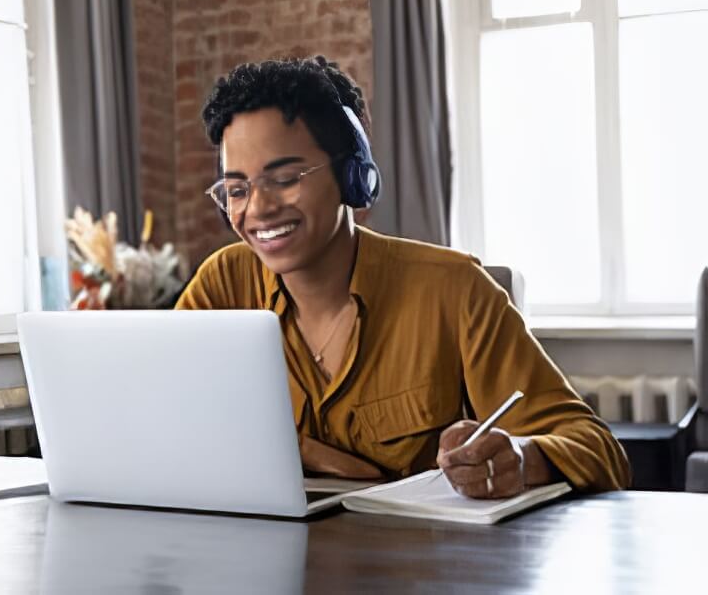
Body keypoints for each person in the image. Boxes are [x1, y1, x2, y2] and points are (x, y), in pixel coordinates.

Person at [175, 56, 627, 496]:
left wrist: (522, 459)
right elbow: (164, 420)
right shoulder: (223, 286)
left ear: (353, 176)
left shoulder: (455, 289)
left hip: (414, 563)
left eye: (286, 177)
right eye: (237, 189)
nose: (257, 209)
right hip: (267, 557)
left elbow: (596, 447)